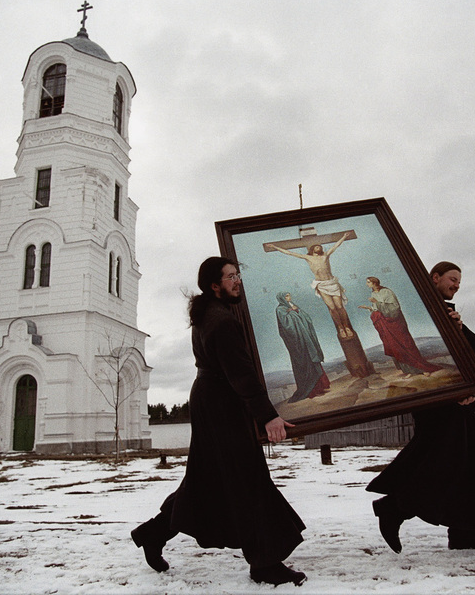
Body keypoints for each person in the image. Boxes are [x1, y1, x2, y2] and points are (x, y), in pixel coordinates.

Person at [131, 257, 307, 587]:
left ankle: (153, 533)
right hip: (222, 405)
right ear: (215, 285)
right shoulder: (221, 320)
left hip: (213, 401)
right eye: (230, 277)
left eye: (238, 274)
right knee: (248, 480)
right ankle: (265, 563)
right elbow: (240, 374)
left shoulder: (211, 313)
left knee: (206, 481)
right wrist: (267, 415)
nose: (237, 280)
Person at [366, 261, 475, 554]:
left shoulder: (445, 311)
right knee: (444, 460)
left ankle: (464, 532)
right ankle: (394, 508)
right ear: (435, 278)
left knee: (469, 464)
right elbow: (416, 347)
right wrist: (457, 389)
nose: (457, 284)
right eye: (452, 278)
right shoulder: (423, 308)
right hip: (438, 401)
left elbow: (471, 347)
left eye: (459, 281)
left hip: (456, 400)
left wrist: (458, 331)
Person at [270, 232, 354, 339]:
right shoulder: (308, 257)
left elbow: (335, 246)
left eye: (320, 246)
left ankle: (347, 327)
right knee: (332, 308)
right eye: (317, 246)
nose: (319, 247)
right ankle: (341, 328)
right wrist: (275, 247)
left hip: (332, 283)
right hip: (322, 285)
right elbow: (289, 253)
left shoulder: (325, 255)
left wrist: (344, 236)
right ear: (313, 249)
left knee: (339, 306)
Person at [359, 277, 442, 378]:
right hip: (385, 324)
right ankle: (409, 370)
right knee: (395, 346)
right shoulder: (373, 294)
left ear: (374, 283)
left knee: (406, 344)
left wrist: (377, 303)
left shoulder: (387, 292)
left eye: (368, 282)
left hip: (395, 322)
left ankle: (422, 369)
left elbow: (395, 308)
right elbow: (377, 309)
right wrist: (369, 308)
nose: (367, 284)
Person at [275, 292, 330, 403]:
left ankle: (320, 387)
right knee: (305, 364)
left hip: (306, 340)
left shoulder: (292, 305)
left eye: (289, 295)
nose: (289, 297)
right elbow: (286, 326)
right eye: (286, 296)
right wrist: (292, 312)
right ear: (282, 298)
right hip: (298, 343)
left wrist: (297, 311)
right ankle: (311, 391)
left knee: (313, 361)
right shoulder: (280, 309)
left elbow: (306, 317)